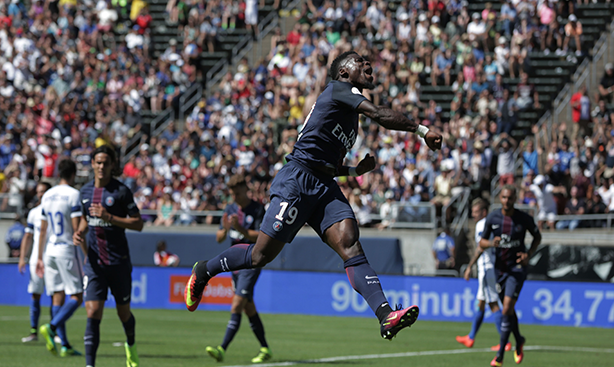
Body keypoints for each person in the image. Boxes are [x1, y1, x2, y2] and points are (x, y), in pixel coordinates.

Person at [184, 51, 443, 341]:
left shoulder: (348, 113)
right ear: (343, 72)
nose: (368, 64)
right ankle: (204, 271)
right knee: (259, 255)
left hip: (322, 184)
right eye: (360, 61)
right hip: (297, 179)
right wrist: (421, 130)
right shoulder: (338, 90)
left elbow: (326, 162)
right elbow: (380, 115)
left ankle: (386, 316)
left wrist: (354, 170)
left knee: (350, 244)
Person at [73, 146, 144, 367]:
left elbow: (138, 224)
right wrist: (80, 232)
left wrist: (110, 217)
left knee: (123, 313)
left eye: (106, 162)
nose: (101, 166)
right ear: (92, 163)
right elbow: (85, 217)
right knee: (93, 313)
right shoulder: (84, 192)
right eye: (98, 162)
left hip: (118, 263)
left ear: (113, 165)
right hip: (94, 264)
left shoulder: (121, 192)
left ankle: (131, 343)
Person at [205, 174, 271, 364]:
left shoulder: (257, 209)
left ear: (246, 190)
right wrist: (225, 229)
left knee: (237, 304)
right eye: (233, 194)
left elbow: (260, 237)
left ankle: (222, 348)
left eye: (238, 193)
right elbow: (219, 238)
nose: (235, 197)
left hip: (251, 261)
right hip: (234, 262)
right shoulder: (230, 209)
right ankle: (265, 348)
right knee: (248, 307)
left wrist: (240, 229)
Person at [480, 185, 541, 367]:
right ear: (500, 198)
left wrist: (528, 254)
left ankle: (499, 356)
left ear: (515, 198)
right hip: (499, 270)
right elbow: (481, 242)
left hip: (516, 269)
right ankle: (519, 339)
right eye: (504, 197)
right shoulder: (493, 217)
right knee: (509, 309)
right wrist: (492, 243)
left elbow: (537, 237)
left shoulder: (523, 218)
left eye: (510, 198)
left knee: (506, 308)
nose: (507, 201)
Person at [36, 159, 83, 357]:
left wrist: (39, 257)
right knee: (77, 296)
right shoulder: (73, 194)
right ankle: (52, 327)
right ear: (73, 174)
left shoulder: (47, 195)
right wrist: (86, 253)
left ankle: (64, 345)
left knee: (57, 296)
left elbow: (43, 229)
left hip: (50, 251)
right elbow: (76, 228)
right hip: (66, 249)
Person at [456, 198, 511, 352]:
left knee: (493, 303)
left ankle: (505, 341)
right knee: (481, 301)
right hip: (491, 267)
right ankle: (471, 337)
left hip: (487, 268)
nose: (473, 215)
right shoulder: (495, 224)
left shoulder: (483, 224)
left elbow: (481, 246)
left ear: (484, 212)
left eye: (476, 212)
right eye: (472, 212)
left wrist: (469, 266)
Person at [18, 181, 52, 343]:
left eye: (44, 191)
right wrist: (22, 258)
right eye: (39, 192)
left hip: (53, 258)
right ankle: (33, 332)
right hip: (35, 260)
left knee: (55, 295)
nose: (41, 194)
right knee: (35, 294)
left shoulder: (55, 211)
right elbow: (28, 236)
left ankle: (55, 331)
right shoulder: (34, 213)